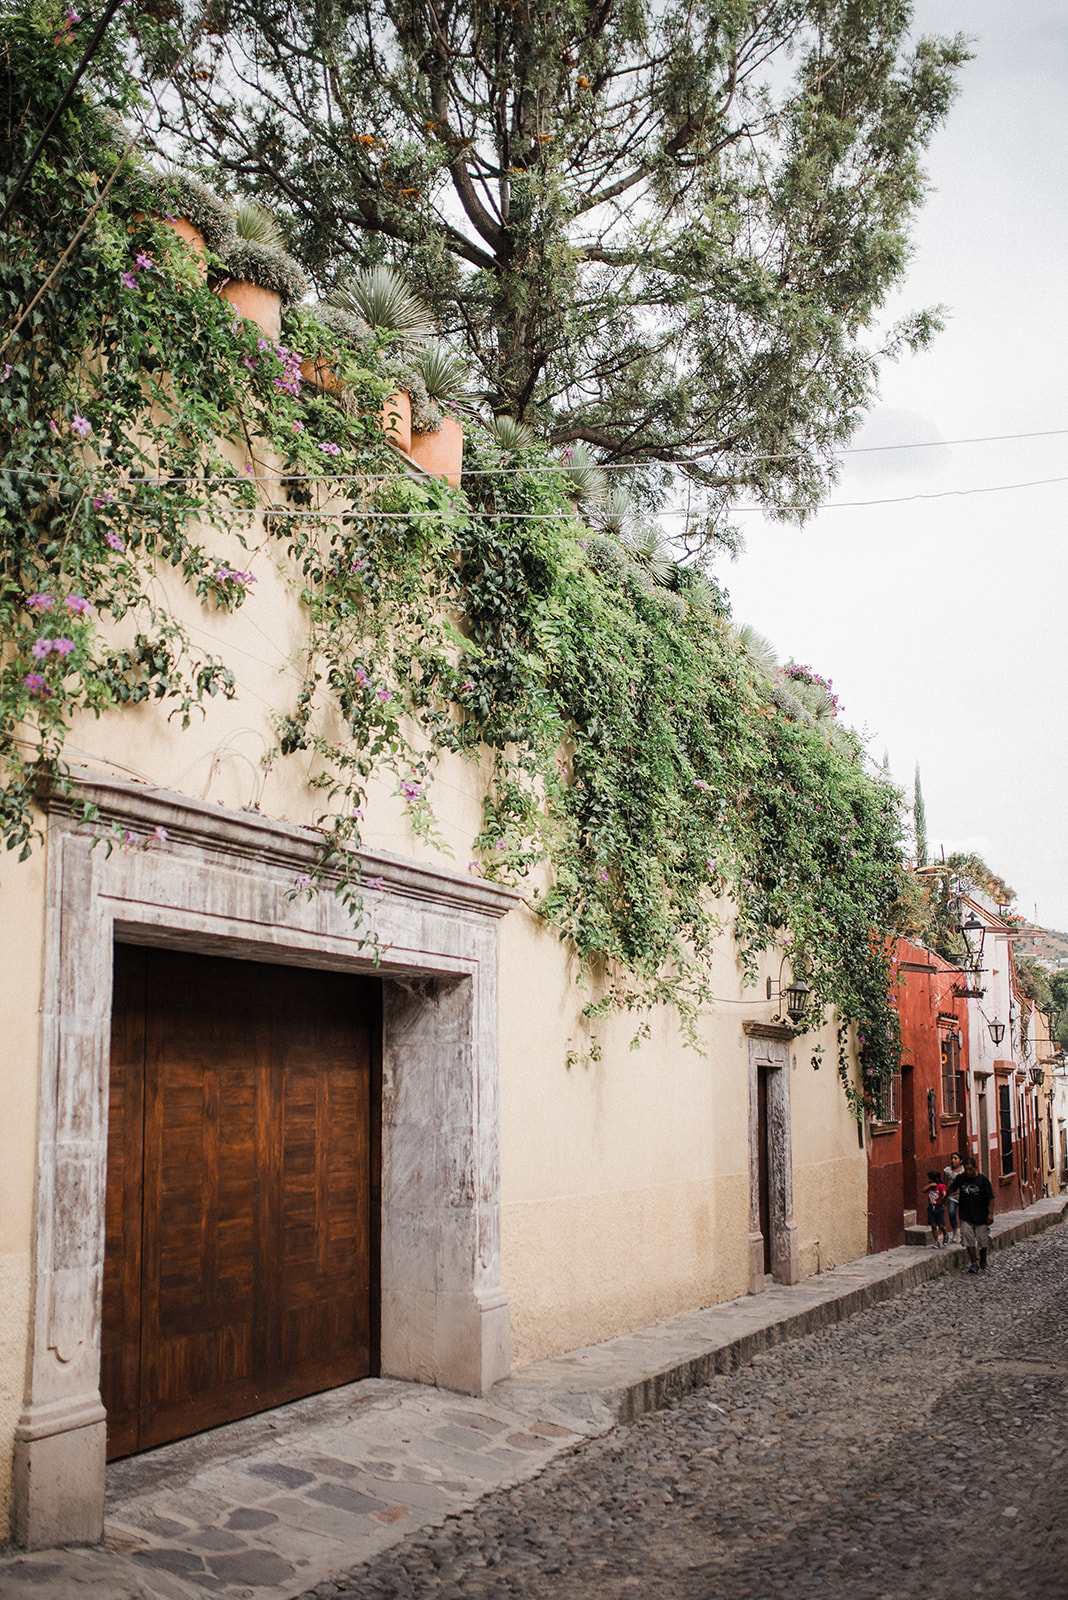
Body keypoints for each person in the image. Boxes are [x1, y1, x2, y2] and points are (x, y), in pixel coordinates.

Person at [945, 1156, 995, 1273]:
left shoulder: (983, 1180)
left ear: (975, 1168)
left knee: (983, 1241)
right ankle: (973, 1263)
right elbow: (953, 1187)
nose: (968, 1172)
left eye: (970, 1169)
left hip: (981, 1215)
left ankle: (983, 1254)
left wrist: (990, 1214)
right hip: (965, 1214)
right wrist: (946, 1197)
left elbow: (991, 1198)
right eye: (966, 1169)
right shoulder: (961, 1178)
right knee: (968, 1239)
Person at [943, 1151, 964, 1241]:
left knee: (963, 1215)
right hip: (952, 1195)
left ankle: (964, 1232)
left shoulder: (964, 1171)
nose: (953, 1160)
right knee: (951, 1213)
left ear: (960, 1161)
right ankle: (955, 1231)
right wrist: (945, 1195)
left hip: (963, 1195)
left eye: (955, 1158)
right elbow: (945, 1183)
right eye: (952, 1158)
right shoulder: (947, 1171)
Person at [925, 1171, 949, 1248]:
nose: (928, 1180)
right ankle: (936, 1241)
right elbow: (923, 1190)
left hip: (939, 1207)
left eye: (930, 1178)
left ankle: (945, 1233)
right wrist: (930, 1185)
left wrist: (944, 1197)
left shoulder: (941, 1186)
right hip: (931, 1207)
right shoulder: (929, 1186)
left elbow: (944, 1193)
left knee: (941, 1225)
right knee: (933, 1224)